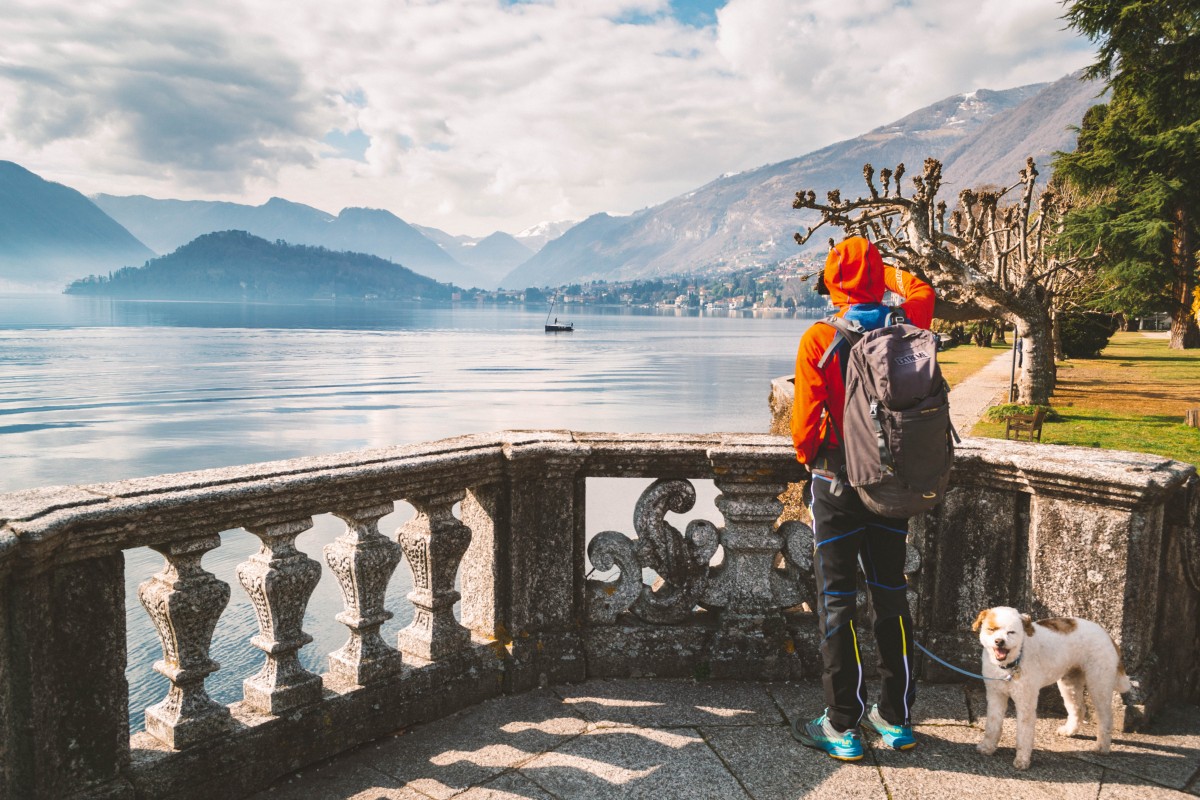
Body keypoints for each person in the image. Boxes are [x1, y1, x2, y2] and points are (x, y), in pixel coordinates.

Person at [789, 236, 935, 761]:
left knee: (837, 601)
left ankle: (842, 725)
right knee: (891, 594)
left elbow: (804, 424)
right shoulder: (909, 325)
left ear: (832, 282)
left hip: (836, 480)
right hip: (891, 483)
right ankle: (895, 720)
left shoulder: (819, 338)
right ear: (875, 277)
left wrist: (811, 460)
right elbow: (921, 287)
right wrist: (881, 274)